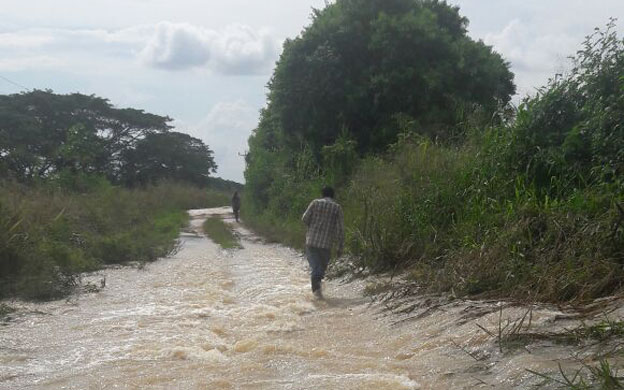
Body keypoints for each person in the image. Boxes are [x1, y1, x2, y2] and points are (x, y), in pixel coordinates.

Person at [302, 186, 344, 298]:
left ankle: (317, 293)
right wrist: (340, 247)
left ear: (322, 194)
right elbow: (340, 229)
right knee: (321, 268)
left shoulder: (315, 203)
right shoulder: (337, 208)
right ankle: (318, 294)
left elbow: (305, 218)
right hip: (326, 244)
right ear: (333, 195)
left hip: (311, 241)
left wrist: (313, 226)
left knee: (316, 267)